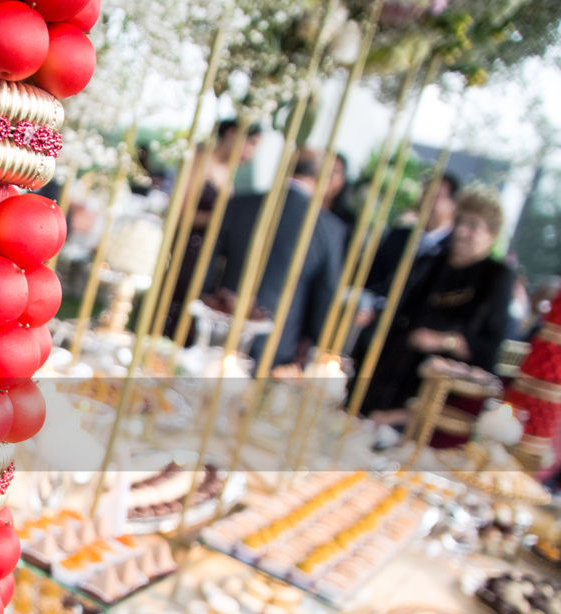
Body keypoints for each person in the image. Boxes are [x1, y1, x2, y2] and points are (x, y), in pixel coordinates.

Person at [356, 187, 513, 421]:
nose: (461, 231)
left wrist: (444, 341)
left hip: (438, 396)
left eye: (472, 226)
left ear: (490, 235)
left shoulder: (495, 277)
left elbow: (490, 348)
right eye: (459, 221)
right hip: (390, 377)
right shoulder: (430, 263)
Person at [207, 148, 345, 367]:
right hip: (278, 340)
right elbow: (326, 294)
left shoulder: (241, 203)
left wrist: (207, 300)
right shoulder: (329, 228)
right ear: (320, 178)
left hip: (219, 323)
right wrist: (314, 342)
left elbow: (208, 261)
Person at [160, 119, 263, 335]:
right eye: (251, 143)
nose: (251, 153)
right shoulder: (199, 161)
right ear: (233, 134)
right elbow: (180, 214)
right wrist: (221, 219)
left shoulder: (229, 173)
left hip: (208, 259)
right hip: (185, 253)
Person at [355, 172, 461, 331]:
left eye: (435, 197)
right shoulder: (398, 237)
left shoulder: (454, 251)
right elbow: (372, 278)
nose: (426, 201)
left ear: (453, 205)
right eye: (425, 193)